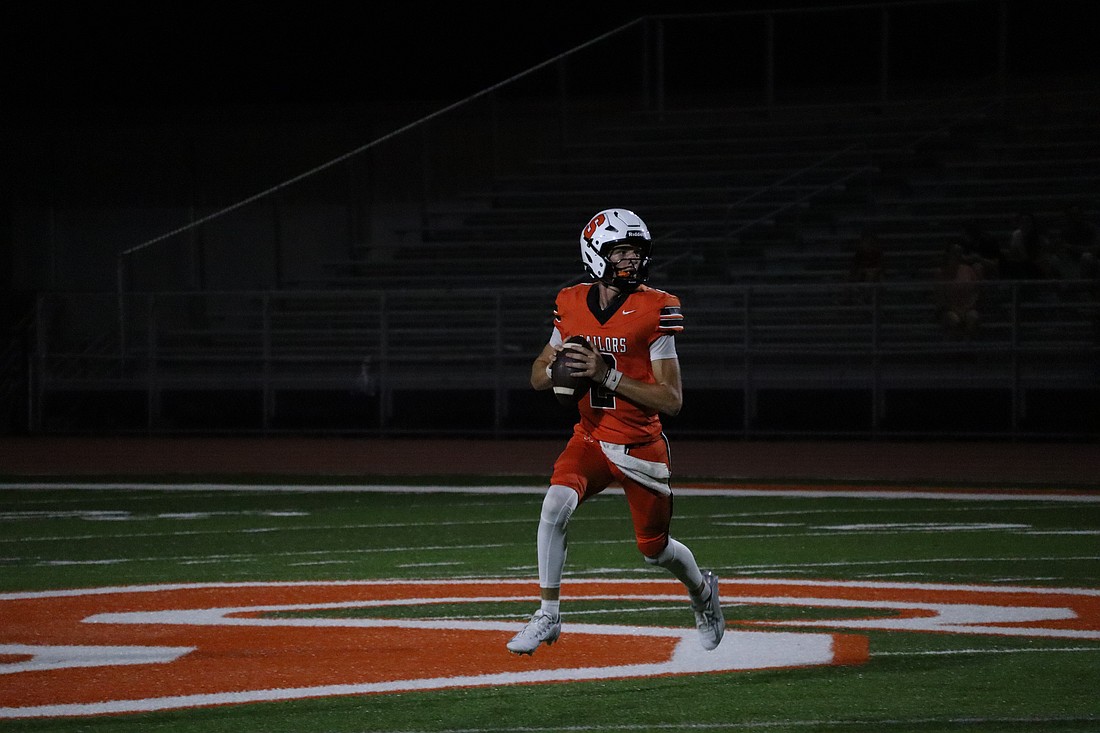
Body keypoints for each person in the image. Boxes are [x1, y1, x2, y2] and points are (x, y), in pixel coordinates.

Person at [506, 208, 725, 656]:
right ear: (595, 253)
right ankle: (548, 613)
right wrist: (560, 371)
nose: (631, 261)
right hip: (589, 435)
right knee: (554, 504)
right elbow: (536, 374)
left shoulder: (655, 307)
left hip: (639, 444)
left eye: (636, 252)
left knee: (655, 550)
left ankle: (702, 592)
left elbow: (672, 400)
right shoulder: (570, 301)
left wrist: (606, 376)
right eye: (621, 251)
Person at [935, 242, 983, 339]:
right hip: (949, 309)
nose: (957, 256)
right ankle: (955, 348)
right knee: (954, 320)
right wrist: (954, 309)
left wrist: (969, 306)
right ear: (948, 254)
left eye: (959, 253)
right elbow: (941, 296)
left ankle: (968, 346)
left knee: (973, 318)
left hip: (968, 307)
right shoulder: (941, 273)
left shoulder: (968, 270)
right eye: (955, 253)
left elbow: (976, 291)